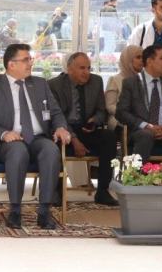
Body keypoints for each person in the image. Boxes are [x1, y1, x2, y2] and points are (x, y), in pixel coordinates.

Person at [0, 43, 72, 230]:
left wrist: (61, 127)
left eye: (30, 59)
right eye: (26, 60)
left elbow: (55, 112)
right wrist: (4, 133)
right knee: (18, 151)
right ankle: (15, 209)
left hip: (39, 138)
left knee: (51, 149)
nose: (30, 63)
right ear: (11, 64)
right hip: (10, 141)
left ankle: (44, 210)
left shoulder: (39, 84)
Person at [48, 53, 119, 206]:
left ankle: (103, 191)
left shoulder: (96, 81)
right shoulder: (54, 85)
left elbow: (102, 111)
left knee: (109, 137)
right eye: (82, 68)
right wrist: (73, 139)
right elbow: (56, 116)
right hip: (64, 128)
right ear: (70, 69)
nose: (86, 72)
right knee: (54, 142)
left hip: (86, 128)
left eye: (88, 68)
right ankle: (57, 191)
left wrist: (94, 120)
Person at [115, 45, 162, 161]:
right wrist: (146, 126)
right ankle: (138, 172)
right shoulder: (131, 83)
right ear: (150, 61)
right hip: (142, 131)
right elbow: (121, 112)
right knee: (146, 135)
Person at [105, 45, 144, 131]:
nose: (142, 60)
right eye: (138, 57)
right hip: (119, 118)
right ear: (128, 59)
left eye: (143, 57)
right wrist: (127, 113)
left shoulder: (146, 79)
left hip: (143, 117)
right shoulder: (115, 80)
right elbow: (110, 105)